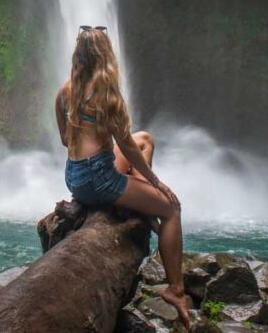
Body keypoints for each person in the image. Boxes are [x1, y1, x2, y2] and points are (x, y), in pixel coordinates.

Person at [55, 25, 190, 328]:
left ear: (78, 56)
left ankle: (129, 205)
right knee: (171, 209)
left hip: (75, 177)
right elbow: (126, 149)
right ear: (106, 56)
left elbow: (65, 141)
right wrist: (156, 183)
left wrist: (91, 134)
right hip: (100, 179)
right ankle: (176, 290)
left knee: (145, 139)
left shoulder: (64, 92)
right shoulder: (107, 96)